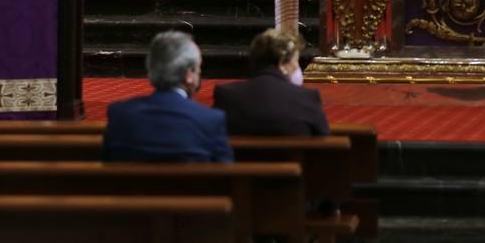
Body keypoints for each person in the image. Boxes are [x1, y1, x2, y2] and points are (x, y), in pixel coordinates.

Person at [103, 30, 232, 164]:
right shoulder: (210, 120)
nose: (199, 73)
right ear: (189, 75)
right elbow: (225, 175)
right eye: (198, 68)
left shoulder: (120, 115)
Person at [213, 29, 329, 137]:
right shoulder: (306, 98)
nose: (297, 67)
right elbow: (323, 136)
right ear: (282, 63)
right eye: (295, 61)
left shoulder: (227, 96)